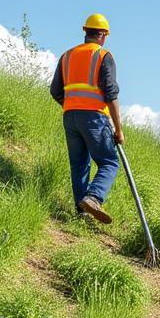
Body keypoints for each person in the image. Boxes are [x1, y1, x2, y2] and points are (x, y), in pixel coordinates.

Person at [51, 13, 123, 224]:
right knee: (109, 162)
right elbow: (111, 93)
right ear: (102, 34)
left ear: (85, 32)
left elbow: (55, 90)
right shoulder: (103, 56)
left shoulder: (67, 56)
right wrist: (119, 129)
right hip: (94, 118)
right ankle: (94, 197)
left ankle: (81, 214)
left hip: (70, 117)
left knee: (79, 165)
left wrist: (73, 105)